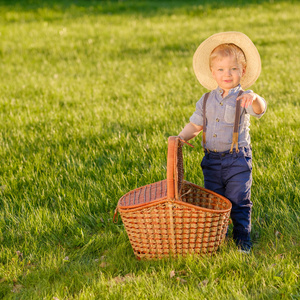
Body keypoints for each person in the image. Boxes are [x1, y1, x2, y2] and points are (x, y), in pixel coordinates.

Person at [178, 32, 267, 253]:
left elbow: (260, 110)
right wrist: (179, 139)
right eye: (221, 69)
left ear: (242, 71)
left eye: (233, 69)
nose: (227, 74)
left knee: (238, 199)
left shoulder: (244, 97)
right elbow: (196, 126)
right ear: (212, 72)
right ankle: (218, 235)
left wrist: (255, 98)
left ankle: (242, 237)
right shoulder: (206, 99)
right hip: (211, 160)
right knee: (215, 199)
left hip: (237, 159)